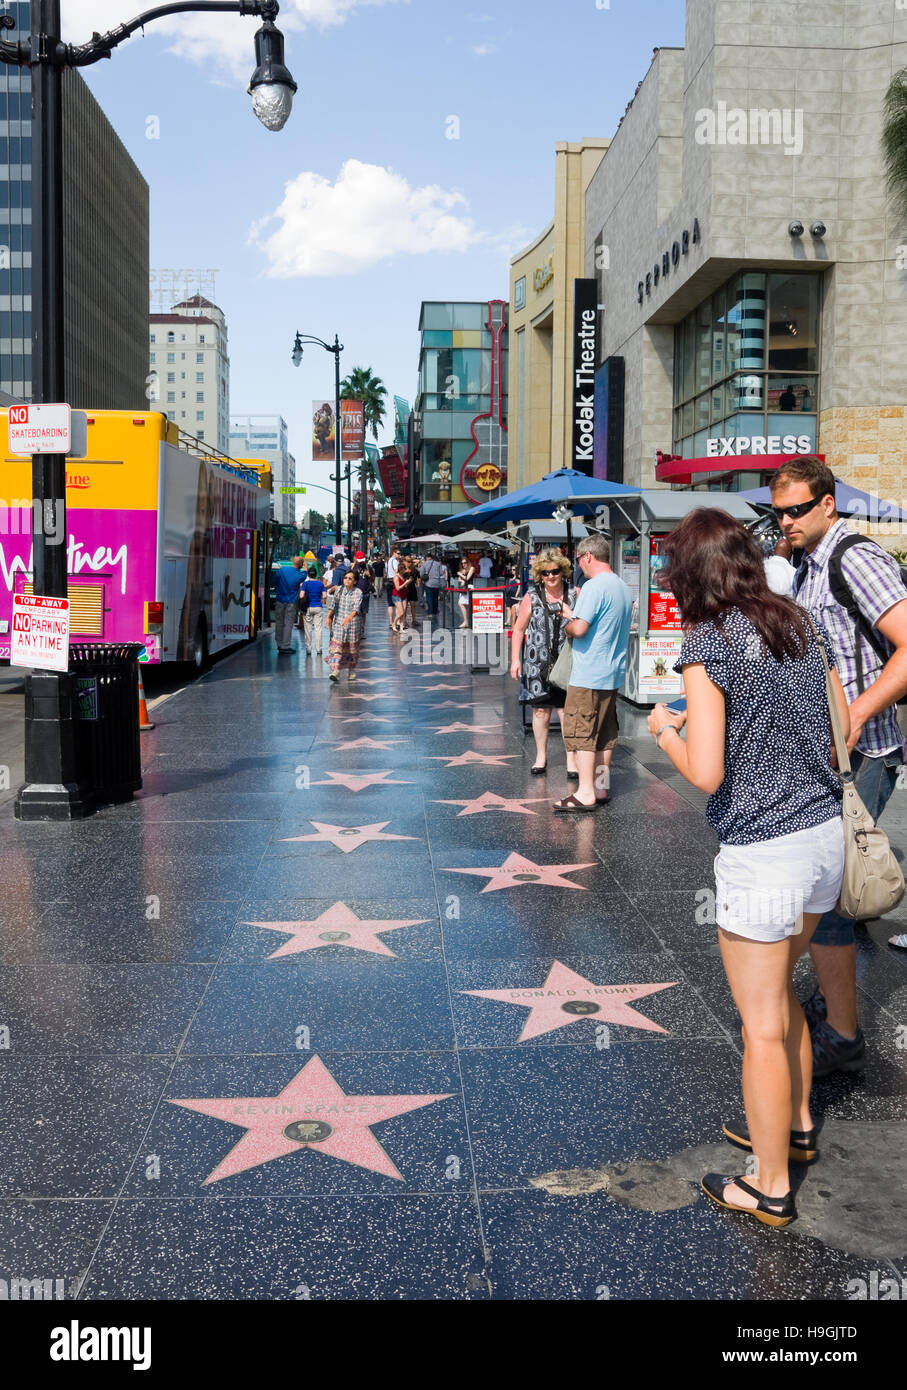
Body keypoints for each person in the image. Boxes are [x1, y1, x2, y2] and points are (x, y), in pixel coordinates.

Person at [648, 507, 849, 1228]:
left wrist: (666, 732)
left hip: (764, 852)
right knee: (784, 996)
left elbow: (705, 772)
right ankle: (793, 1127)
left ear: (688, 575)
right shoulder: (798, 624)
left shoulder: (708, 642)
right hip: (823, 839)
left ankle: (766, 1185)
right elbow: (840, 728)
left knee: (759, 1023)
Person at [769, 455, 907, 1076]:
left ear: (828, 503)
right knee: (822, 887)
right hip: (827, 755)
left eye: (797, 510)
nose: (786, 522)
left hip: (863, 754)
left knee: (825, 897)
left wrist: (851, 716)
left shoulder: (856, 557)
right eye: (780, 512)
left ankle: (843, 1034)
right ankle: (833, 1001)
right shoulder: (807, 564)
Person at [557, 536, 633, 811]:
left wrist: (568, 624)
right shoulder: (623, 588)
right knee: (605, 733)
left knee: (581, 733)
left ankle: (586, 792)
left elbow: (580, 629)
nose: (579, 565)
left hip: (588, 673)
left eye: (578, 560)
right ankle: (600, 788)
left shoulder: (593, 586)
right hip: (612, 673)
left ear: (587, 556)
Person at [510, 549, 579, 780]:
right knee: (540, 711)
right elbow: (519, 629)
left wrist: (572, 616)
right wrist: (515, 660)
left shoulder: (575, 593)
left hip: (567, 661)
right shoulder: (532, 595)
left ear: (563, 571)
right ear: (540, 574)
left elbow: (584, 624)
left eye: (555, 572)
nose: (550, 577)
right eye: (545, 573)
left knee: (567, 712)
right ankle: (541, 757)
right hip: (537, 662)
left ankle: (572, 759)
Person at [327, 570, 364, 682]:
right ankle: (336, 671)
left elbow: (356, 608)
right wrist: (328, 616)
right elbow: (333, 605)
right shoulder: (339, 590)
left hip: (353, 625)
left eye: (350, 578)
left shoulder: (358, 592)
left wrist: (349, 617)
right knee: (337, 649)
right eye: (345, 578)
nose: (347, 580)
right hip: (339, 624)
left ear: (355, 581)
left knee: (352, 650)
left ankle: (351, 671)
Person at [273, 556, 304, 654]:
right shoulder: (300, 575)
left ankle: (279, 643)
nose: (302, 565)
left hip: (279, 600)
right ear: (300, 564)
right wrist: (306, 568)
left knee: (279, 623)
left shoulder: (282, 570)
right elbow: (305, 574)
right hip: (291, 602)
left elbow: (274, 581)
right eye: (302, 563)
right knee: (288, 624)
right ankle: (285, 646)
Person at [302, 565, 326, 657]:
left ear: (308, 574)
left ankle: (308, 648)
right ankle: (318, 649)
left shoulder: (306, 584)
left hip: (307, 607)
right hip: (318, 607)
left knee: (308, 629)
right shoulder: (320, 584)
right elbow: (324, 596)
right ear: (316, 575)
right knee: (318, 629)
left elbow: (301, 595)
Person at [420, 550, 447, 621]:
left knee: (429, 598)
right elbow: (441, 573)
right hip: (437, 583)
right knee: (435, 598)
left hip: (428, 583)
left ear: (427, 558)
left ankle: (430, 612)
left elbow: (421, 573)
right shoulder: (438, 564)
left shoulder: (425, 564)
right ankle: (435, 611)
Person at [455, 556, 474, 629]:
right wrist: (461, 578)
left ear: (468, 562)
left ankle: (467, 621)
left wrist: (460, 574)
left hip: (469, 587)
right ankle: (466, 621)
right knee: (462, 604)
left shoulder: (471, 568)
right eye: (462, 563)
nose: (464, 564)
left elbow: (467, 578)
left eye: (465, 563)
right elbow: (460, 580)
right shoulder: (462, 570)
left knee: (467, 605)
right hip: (463, 588)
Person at [386, 545, 402, 629]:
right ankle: (397, 622)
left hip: (389, 581)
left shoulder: (388, 561)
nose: (399, 555)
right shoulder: (395, 561)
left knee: (390, 604)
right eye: (398, 553)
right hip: (394, 582)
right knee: (397, 602)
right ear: (394, 553)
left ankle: (390, 622)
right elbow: (397, 571)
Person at [391, 562, 410, 632]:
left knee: (403, 612)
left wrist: (407, 583)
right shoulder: (396, 577)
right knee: (401, 612)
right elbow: (398, 588)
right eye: (404, 569)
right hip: (397, 596)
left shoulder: (403, 576)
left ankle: (401, 628)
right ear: (401, 570)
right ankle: (394, 623)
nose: (406, 570)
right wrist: (406, 583)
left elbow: (404, 586)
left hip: (404, 595)